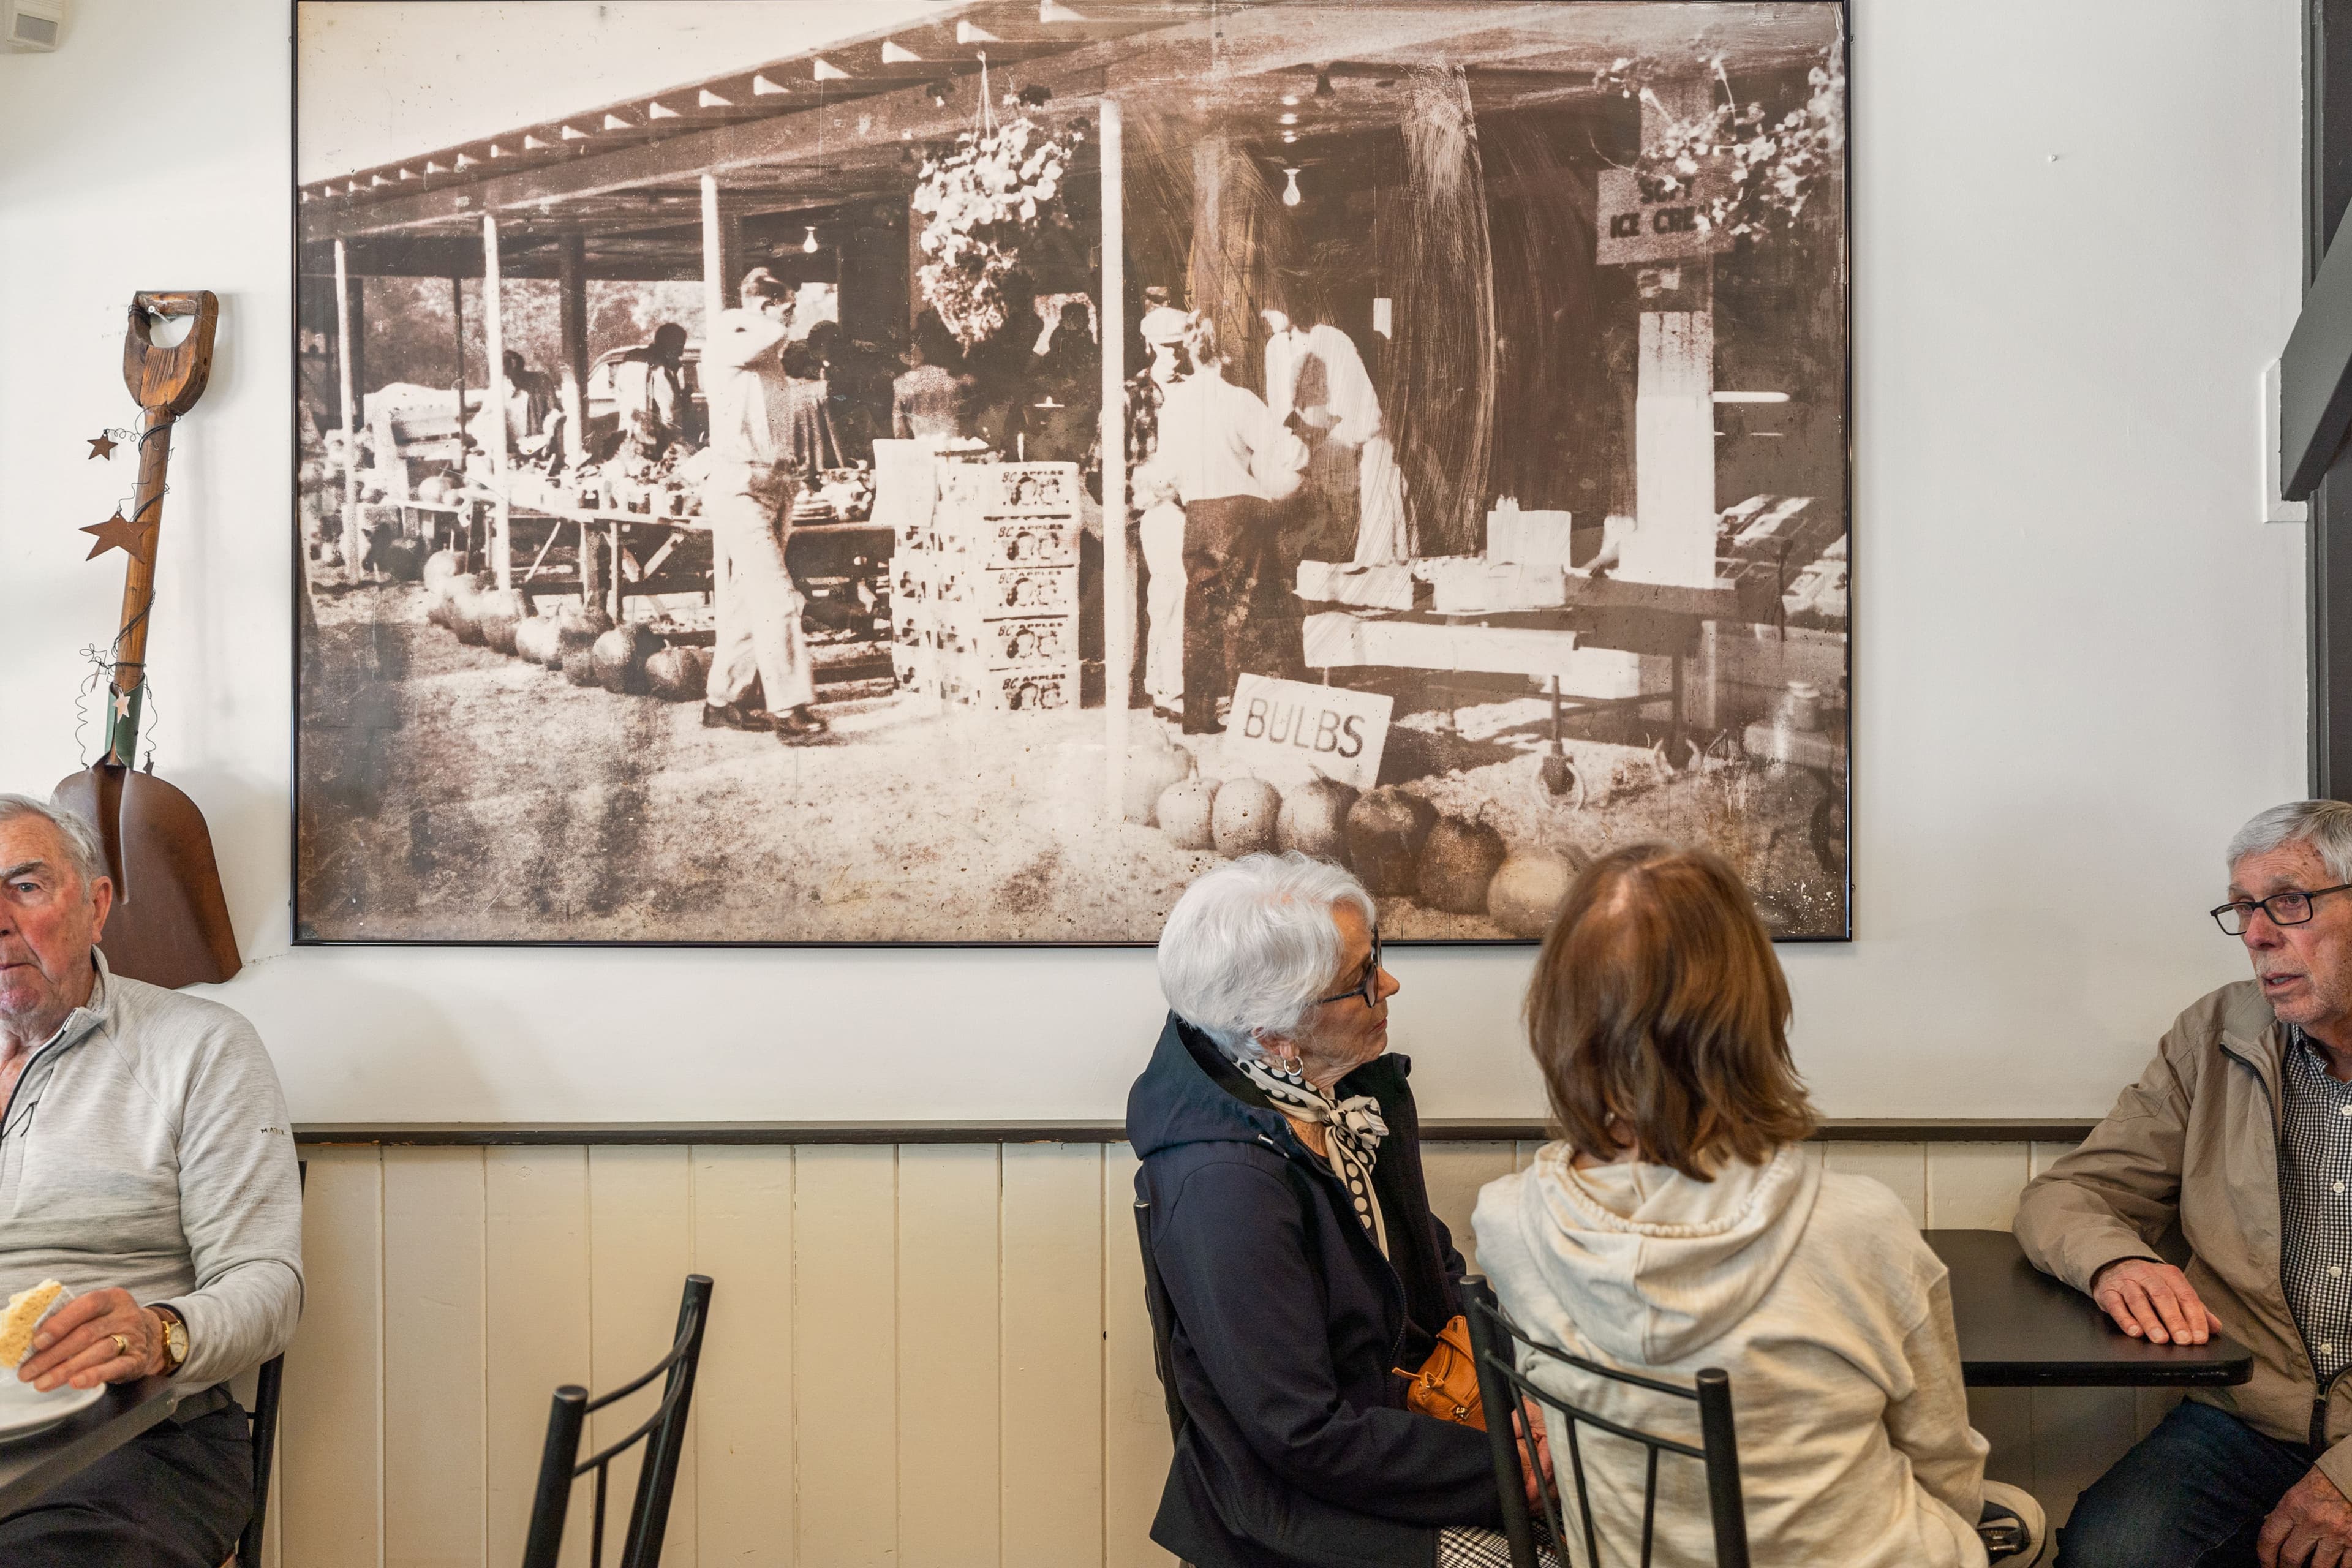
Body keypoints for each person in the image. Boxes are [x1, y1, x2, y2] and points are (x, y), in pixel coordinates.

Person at [1474, 843, 2048, 1567]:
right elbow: (1943, 1460)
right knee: (2018, 1515)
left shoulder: (1505, 1222)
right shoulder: (1856, 1224)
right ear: (1753, 1009)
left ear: (1557, 1014)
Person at [1129, 852, 1548, 1568]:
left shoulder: (1349, 1101)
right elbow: (1300, 1433)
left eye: (1375, 957)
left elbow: (1437, 1278)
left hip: (1399, 1444)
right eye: (1359, 980)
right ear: (1275, 1034)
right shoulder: (1224, 1184)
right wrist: (1512, 1469)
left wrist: (1530, 1400)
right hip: (1297, 1514)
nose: (1388, 983)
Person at [2015, 799, 2352, 1567]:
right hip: (2247, 1415)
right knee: (2112, 1550)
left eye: (2289, 902)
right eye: (2243, 909)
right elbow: (2067, 1196)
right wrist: (2115, 1261)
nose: (2259, 935)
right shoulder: (2217, 1032)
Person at [0, 794, 303, 1566]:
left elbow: (267, 1283)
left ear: (97, 905)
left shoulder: (199, 1048)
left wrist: (160, 1333)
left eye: (26, 886)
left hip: (132, 1442)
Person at [1136, 312, 1309, 735]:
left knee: (1202, 615)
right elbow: (1283, 452)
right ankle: (1251, 714)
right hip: (1241, 514)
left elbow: (1168, 473)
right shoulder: (1240, 399)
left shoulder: (1175, 406)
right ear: (1225, 357)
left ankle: (1198, 716)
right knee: (1245, 614)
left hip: (1198, 517)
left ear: (1191, 355)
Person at [699, 266, 829, 741]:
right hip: (737, 486)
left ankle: (722, 699)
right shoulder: (731, 336)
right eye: (787, 308)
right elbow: (767, 332)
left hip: (772, 486)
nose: (792, 320)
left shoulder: (766, 358)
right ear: (761, 307)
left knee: (744, 602)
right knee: (778, 597)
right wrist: (761, 307)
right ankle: (790, 709)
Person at [1128, 303, 1191, 719]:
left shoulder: (1196, 389)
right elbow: (1111, 459)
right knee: (1169, 593)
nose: (1174, 355)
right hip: (1159, 507)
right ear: (1150, 344)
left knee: (1186, 597)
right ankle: (1169, 690)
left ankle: (1168, 686)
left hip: (1197, 504)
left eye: (1179, 347)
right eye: (1166, 347)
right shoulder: (1131, 394)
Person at [612, 322, 690, 462]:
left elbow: (619, 393)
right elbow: (670, 412)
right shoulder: (661, 369)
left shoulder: (631, 357)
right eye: (679, 347)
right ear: (670, 345)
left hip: (627, 436)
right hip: (649, 443)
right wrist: (678, 443)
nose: (681, 353)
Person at [892, 312, 966, 443]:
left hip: (922, 453)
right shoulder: (958, 381)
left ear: (920, 346)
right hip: (954, 453)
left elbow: (900, 432)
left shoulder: (903, 383)